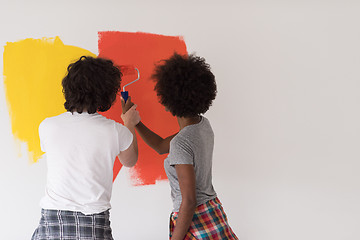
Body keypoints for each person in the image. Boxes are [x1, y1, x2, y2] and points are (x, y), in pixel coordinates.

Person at [126, 53, 238, 239]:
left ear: (169, 99)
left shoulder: (181, 143)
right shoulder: (202, 125)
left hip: (195, 221)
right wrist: (136, 122)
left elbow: (189, 201)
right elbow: (161, 146)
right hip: (213, 212)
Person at [31, 56, 140, 240]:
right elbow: (130, 160)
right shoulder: (115, 131)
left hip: (52, 220)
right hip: (93, 223)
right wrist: (129, 123)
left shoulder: (47, 126)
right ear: (106, 92)